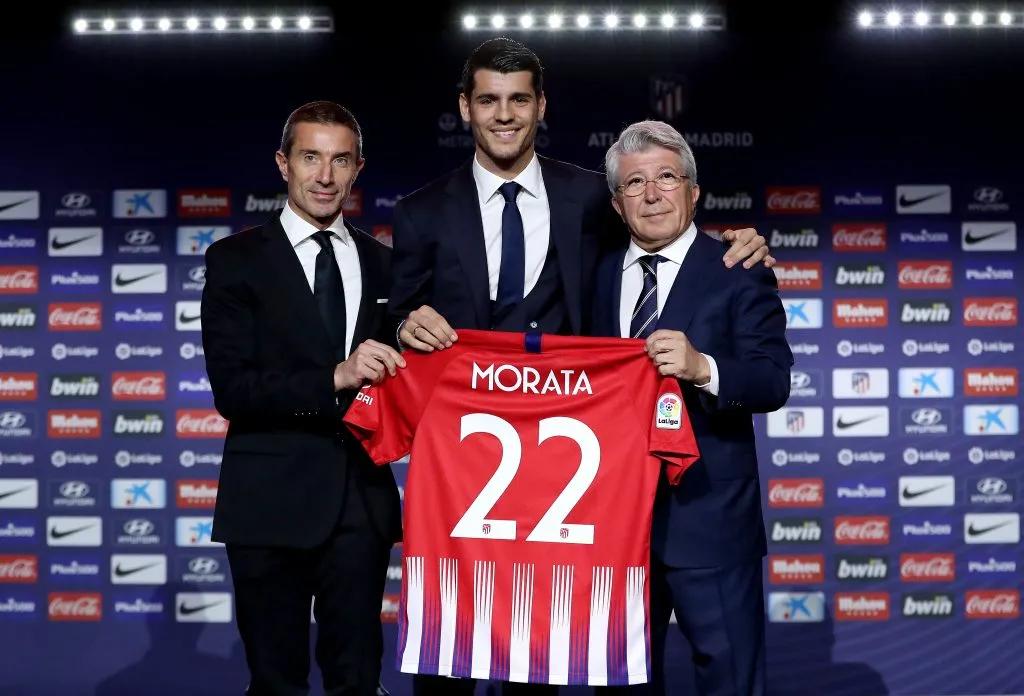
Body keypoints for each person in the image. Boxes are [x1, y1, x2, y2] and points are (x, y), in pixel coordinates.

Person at [385, 38, 776, 696]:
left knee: (542, 671)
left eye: (518, 99)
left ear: (541, 106)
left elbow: (671, 234)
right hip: (470, 484)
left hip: (579, 486)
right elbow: (398, 316)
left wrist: (740, 242)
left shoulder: (593, 198)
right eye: (487, 100)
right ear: (465, 107)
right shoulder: (420, 212)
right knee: (452, 668)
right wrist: (400, 325)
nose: (504, 114)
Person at [201, 100, 405, 696]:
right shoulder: (235, 261)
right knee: (275, 683)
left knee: (358, 682)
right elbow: (234, 390)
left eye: (340, 160)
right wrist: (336, 376)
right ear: (282, 164)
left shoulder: (387, 265)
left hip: (358, 505)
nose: (325, 175)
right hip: (267, 503)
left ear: (358, 168)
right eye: (310, 157)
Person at [591, 119, 793, 696]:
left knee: (728, 679)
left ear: (694, 191)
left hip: (710, 520)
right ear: (616, 201)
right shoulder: (593, 274)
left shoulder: (737, 270)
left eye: (666, 178)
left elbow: (772, 380)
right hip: (612, 525)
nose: (651, 195)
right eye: (635, 184)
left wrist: (703, 367)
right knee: (621, 680)